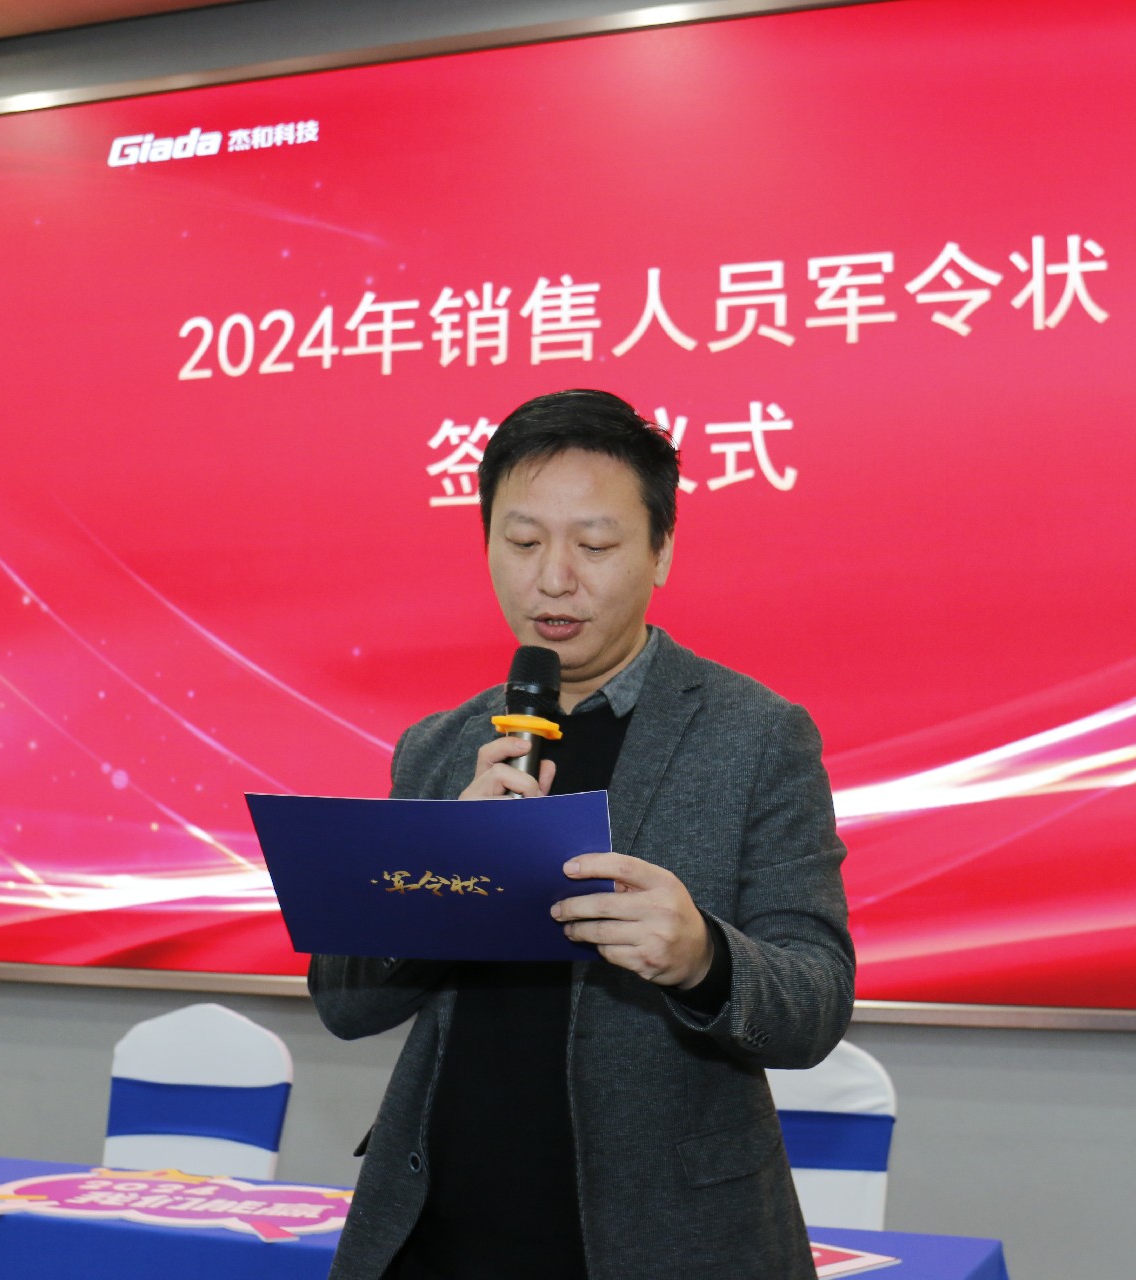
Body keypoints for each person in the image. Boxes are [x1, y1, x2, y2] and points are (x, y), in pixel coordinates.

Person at [309, 388, 854, 1280]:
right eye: (523, 542)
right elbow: (345, 1002)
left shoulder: (757, 735)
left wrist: (705, 957)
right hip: (440, 1233)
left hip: (668, 1243)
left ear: (661, 550)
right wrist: (442, 872)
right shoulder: (439, 746)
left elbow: (818, 1000)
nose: (554, 579)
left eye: (594, 546)